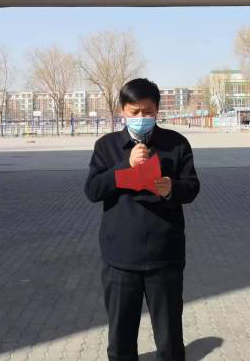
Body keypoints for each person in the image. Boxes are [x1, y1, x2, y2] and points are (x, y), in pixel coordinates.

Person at [85, 78, 200, 361]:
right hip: (121, 259)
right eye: (134, 112)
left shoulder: (176, 144)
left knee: (170, 340)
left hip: (165, 258)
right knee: (121, 341)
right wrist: (125, 166)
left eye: (147, 111)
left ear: (157, 110)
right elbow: (93, 190)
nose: (141, 117)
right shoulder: (107, 146)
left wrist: (171, 188)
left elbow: (192, 188)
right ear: (122, 111)